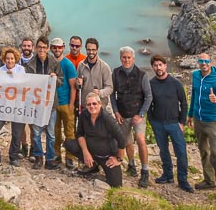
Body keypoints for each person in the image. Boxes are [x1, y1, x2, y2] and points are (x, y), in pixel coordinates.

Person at [189, 53, 216, 203]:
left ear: (210, 63)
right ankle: (209, 181)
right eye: (201, 61)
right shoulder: (195, 76)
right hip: (198, 119)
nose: (204, 63)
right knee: (203, 151)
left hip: (213, 121)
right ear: (198, 62)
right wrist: (190, 114)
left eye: (206, 61)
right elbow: (194, 96)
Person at [148, 54, 193, 191]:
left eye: (160, 65)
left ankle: (183, 180)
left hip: (174, 123)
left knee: (181, 152)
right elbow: (148, 103)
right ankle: (167, 174)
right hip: (158, 123)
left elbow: (184, 104)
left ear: (165, 66)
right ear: (153, 67)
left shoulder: (176, 83)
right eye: (155, 65)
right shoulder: (151, 84)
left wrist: (182, 122)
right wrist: (151, 120)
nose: (158, 67)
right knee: (164, 151)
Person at [64, 92, 126, 187]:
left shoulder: (107, 118)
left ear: (99, 104)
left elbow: (121, 139)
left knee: (116, 185)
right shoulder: (84, 115)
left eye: (94, 104)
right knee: (69, 144)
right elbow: (80, 134)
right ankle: (92, 165)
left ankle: (101, 166)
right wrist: (85, 152)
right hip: (91, 152)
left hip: (107, 157)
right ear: (86, 105)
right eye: (89, 104)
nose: (92, 106)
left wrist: (119, 159)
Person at [111, 46, 152, 188]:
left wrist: (141, 114)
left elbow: (148, 96)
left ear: (133, 59)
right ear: (120, 58)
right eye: (124, 57)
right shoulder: (115, 73)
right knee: (126, 140)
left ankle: (145, 171)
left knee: (140, 140)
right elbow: (112, 94)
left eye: (129, 57)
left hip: (138, 114)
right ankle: (131, 164)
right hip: (122, 114)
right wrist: (116, 111)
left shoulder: (142, 74)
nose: (126, 60)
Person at [0, 48, 26, 168]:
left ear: (16, 60)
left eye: (12, 59)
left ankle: (14, 156)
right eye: (7, 58)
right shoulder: (0, 70)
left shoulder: (21, 69)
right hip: (2, 106)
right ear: (4, 60)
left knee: (17, 133)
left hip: (17, 106)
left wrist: (12, 77)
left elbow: (23, 85)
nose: (9, 61)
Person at [24, 36, 60, 169]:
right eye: (39, 47)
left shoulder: (54, 63)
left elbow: (61, 81)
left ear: (48, 48)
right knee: (36, 132)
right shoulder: (30, 64)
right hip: (36, 103)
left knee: (51, 133)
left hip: (51, 104)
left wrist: (55, 79)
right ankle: (38, 157)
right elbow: (27, 83)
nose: (42, 50)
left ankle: (50, 159)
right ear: (36, 48)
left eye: (44, 47)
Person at [49, 37, 78, 169]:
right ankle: (56, 154)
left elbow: (73, 86)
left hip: (65, 102)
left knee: (69, 132)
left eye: (59, 47)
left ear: (63, 47)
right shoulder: (48, 63)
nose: (57, 49)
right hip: (52, 103)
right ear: (51, 48)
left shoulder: (68, 64)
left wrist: (71, 104)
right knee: (55, 131)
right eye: (54, 47)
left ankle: (70, 157)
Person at [77, 37, 113, 114]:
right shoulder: (81, 65)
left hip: (99, 106)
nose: (91, 52)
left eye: (93, 50)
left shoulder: (104, 67)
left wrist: (100, 92)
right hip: (85, 106)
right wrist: (78, 84)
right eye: (89, 49)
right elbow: (78, 87)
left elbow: (110, 88)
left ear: (97, 50)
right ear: (86, 49)